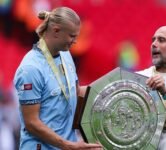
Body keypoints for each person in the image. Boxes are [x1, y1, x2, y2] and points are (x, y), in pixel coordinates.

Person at [13, 7, 102, 150]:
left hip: (68, 145)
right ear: (55, 31)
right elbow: (31, 123)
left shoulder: (66, 55)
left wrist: (109, 90)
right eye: (72, 36)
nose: (75, 41)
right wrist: (67, 145)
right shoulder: (30, 68)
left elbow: (75, 92)